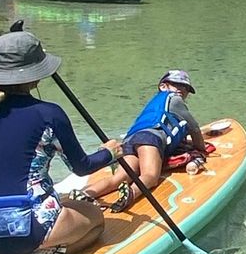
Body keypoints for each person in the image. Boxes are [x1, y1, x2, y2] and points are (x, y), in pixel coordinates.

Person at [0, 24, 123, 254]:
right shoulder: (50, 114)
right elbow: (81, 166)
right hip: (31, 229)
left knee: (68, 203)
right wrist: (109, 153)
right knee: (96, 221)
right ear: (35, 74)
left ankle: (6, 253)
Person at [75, 69, 207, 211]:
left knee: (121, 177)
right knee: (150, 176)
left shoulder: (155, 103)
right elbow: (194, 128)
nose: (182, 89)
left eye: (186, 88)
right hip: (150, 138)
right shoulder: (175, 100)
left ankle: (85, 194)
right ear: (163, 86)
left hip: (130, 140)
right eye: (177, 85)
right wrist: (201, 149)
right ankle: (130, 194)